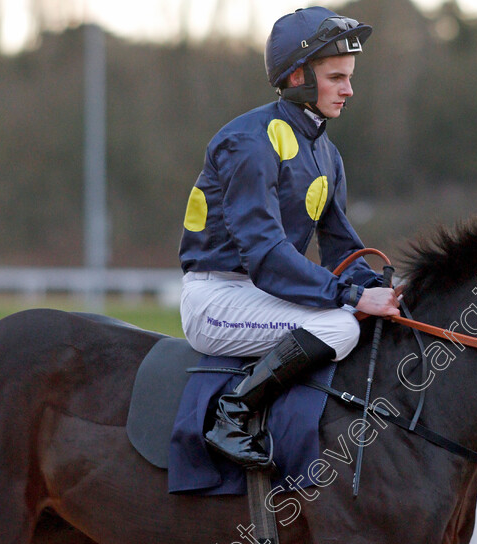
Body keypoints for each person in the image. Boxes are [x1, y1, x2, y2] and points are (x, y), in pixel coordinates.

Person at [178, 6, 399, 470]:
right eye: (336, 77)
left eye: (350, 77)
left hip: (263, 296)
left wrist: (383, 290)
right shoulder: (248, 141)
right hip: (217, 300)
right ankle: (230, 415)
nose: (349, 89)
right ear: (298, 76)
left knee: (363, 315)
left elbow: (342, 248)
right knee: (340, 324)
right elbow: (265, 255)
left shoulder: (327, 153)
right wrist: (351, 296)